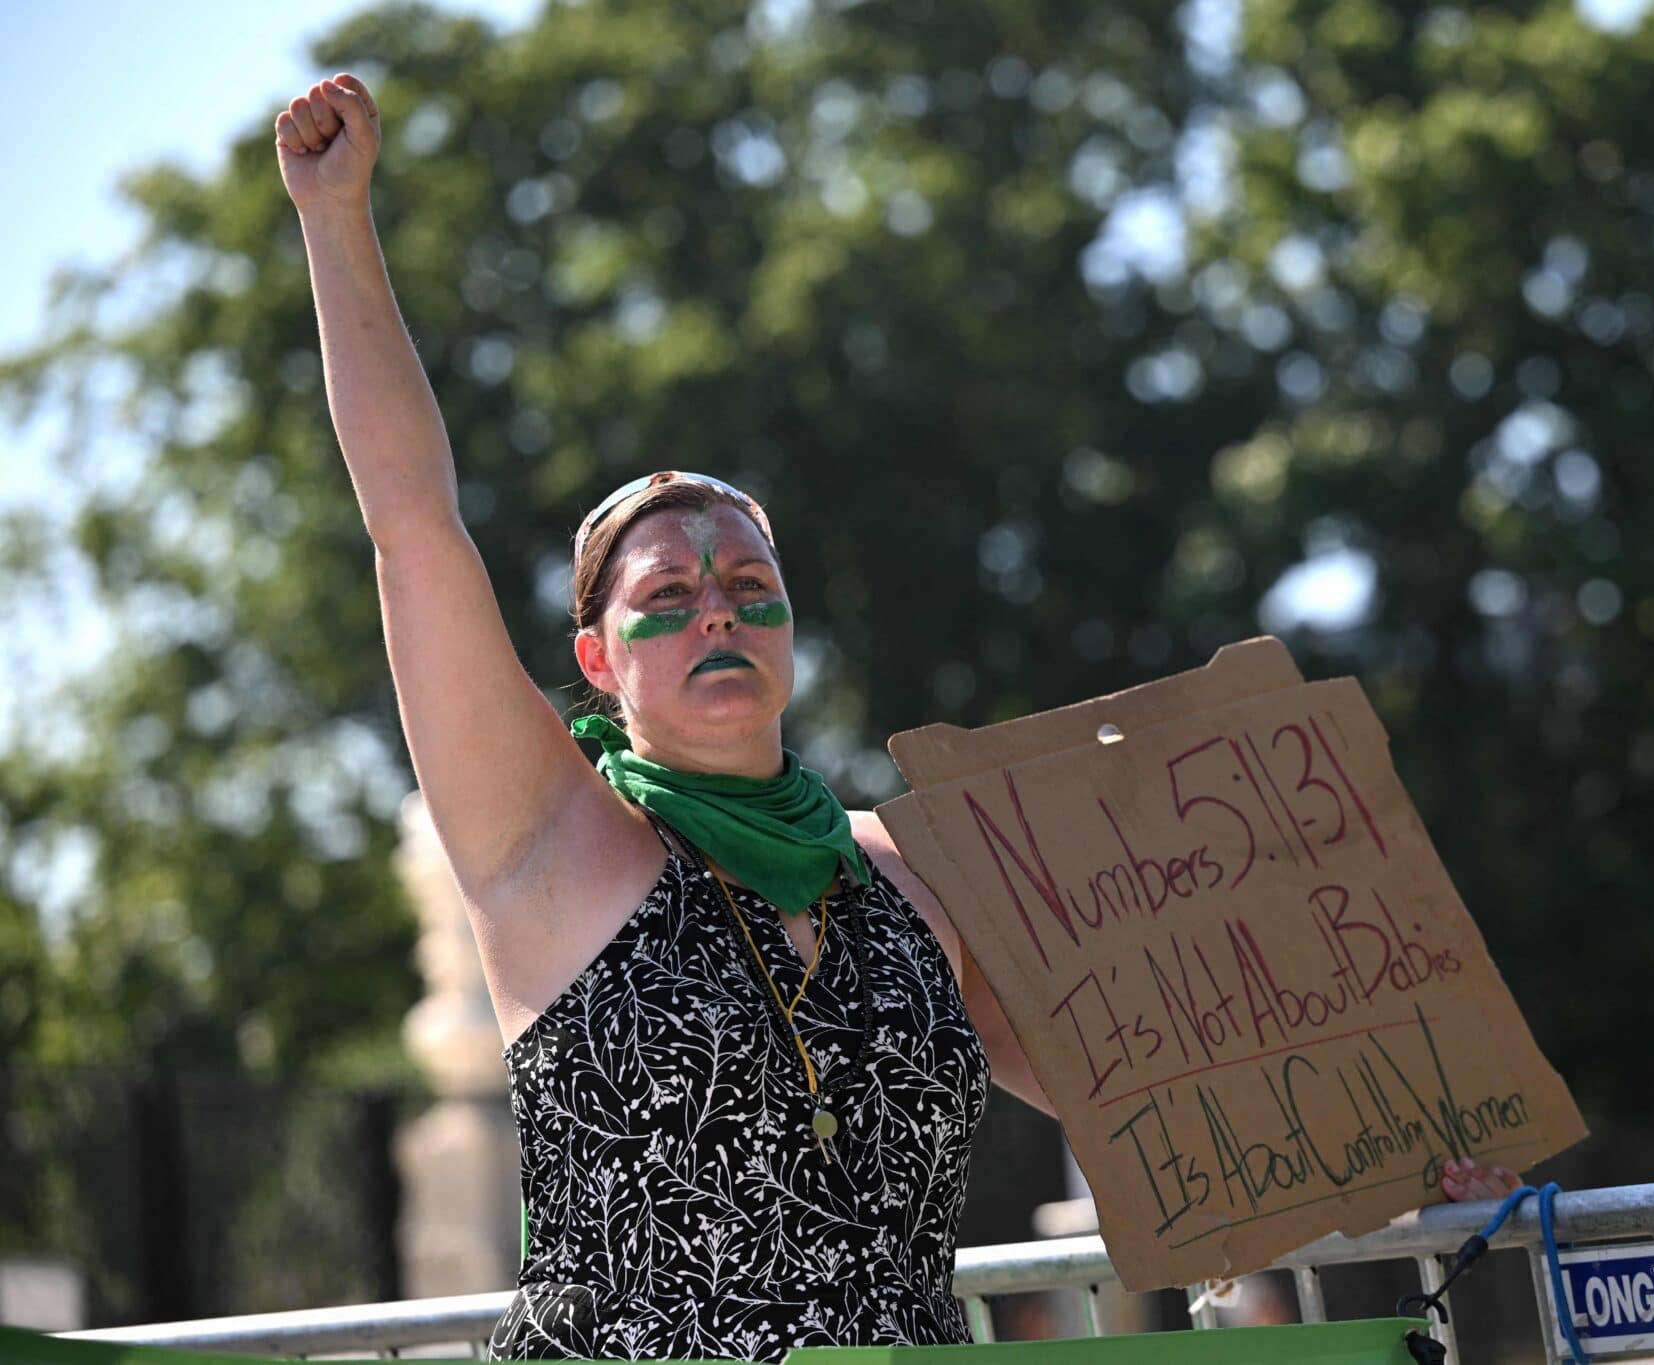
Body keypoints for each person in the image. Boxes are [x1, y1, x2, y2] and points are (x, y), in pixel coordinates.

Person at [273, 72, 1518, 1362]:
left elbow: (1151, 1090)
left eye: (750, 586)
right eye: (670, 596)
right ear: (597, 658)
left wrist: (1402, 1160)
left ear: (790, 628)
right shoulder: (545, 839)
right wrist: (336, 217)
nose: (718, 612)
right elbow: (414, 526)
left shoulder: (914, 865)